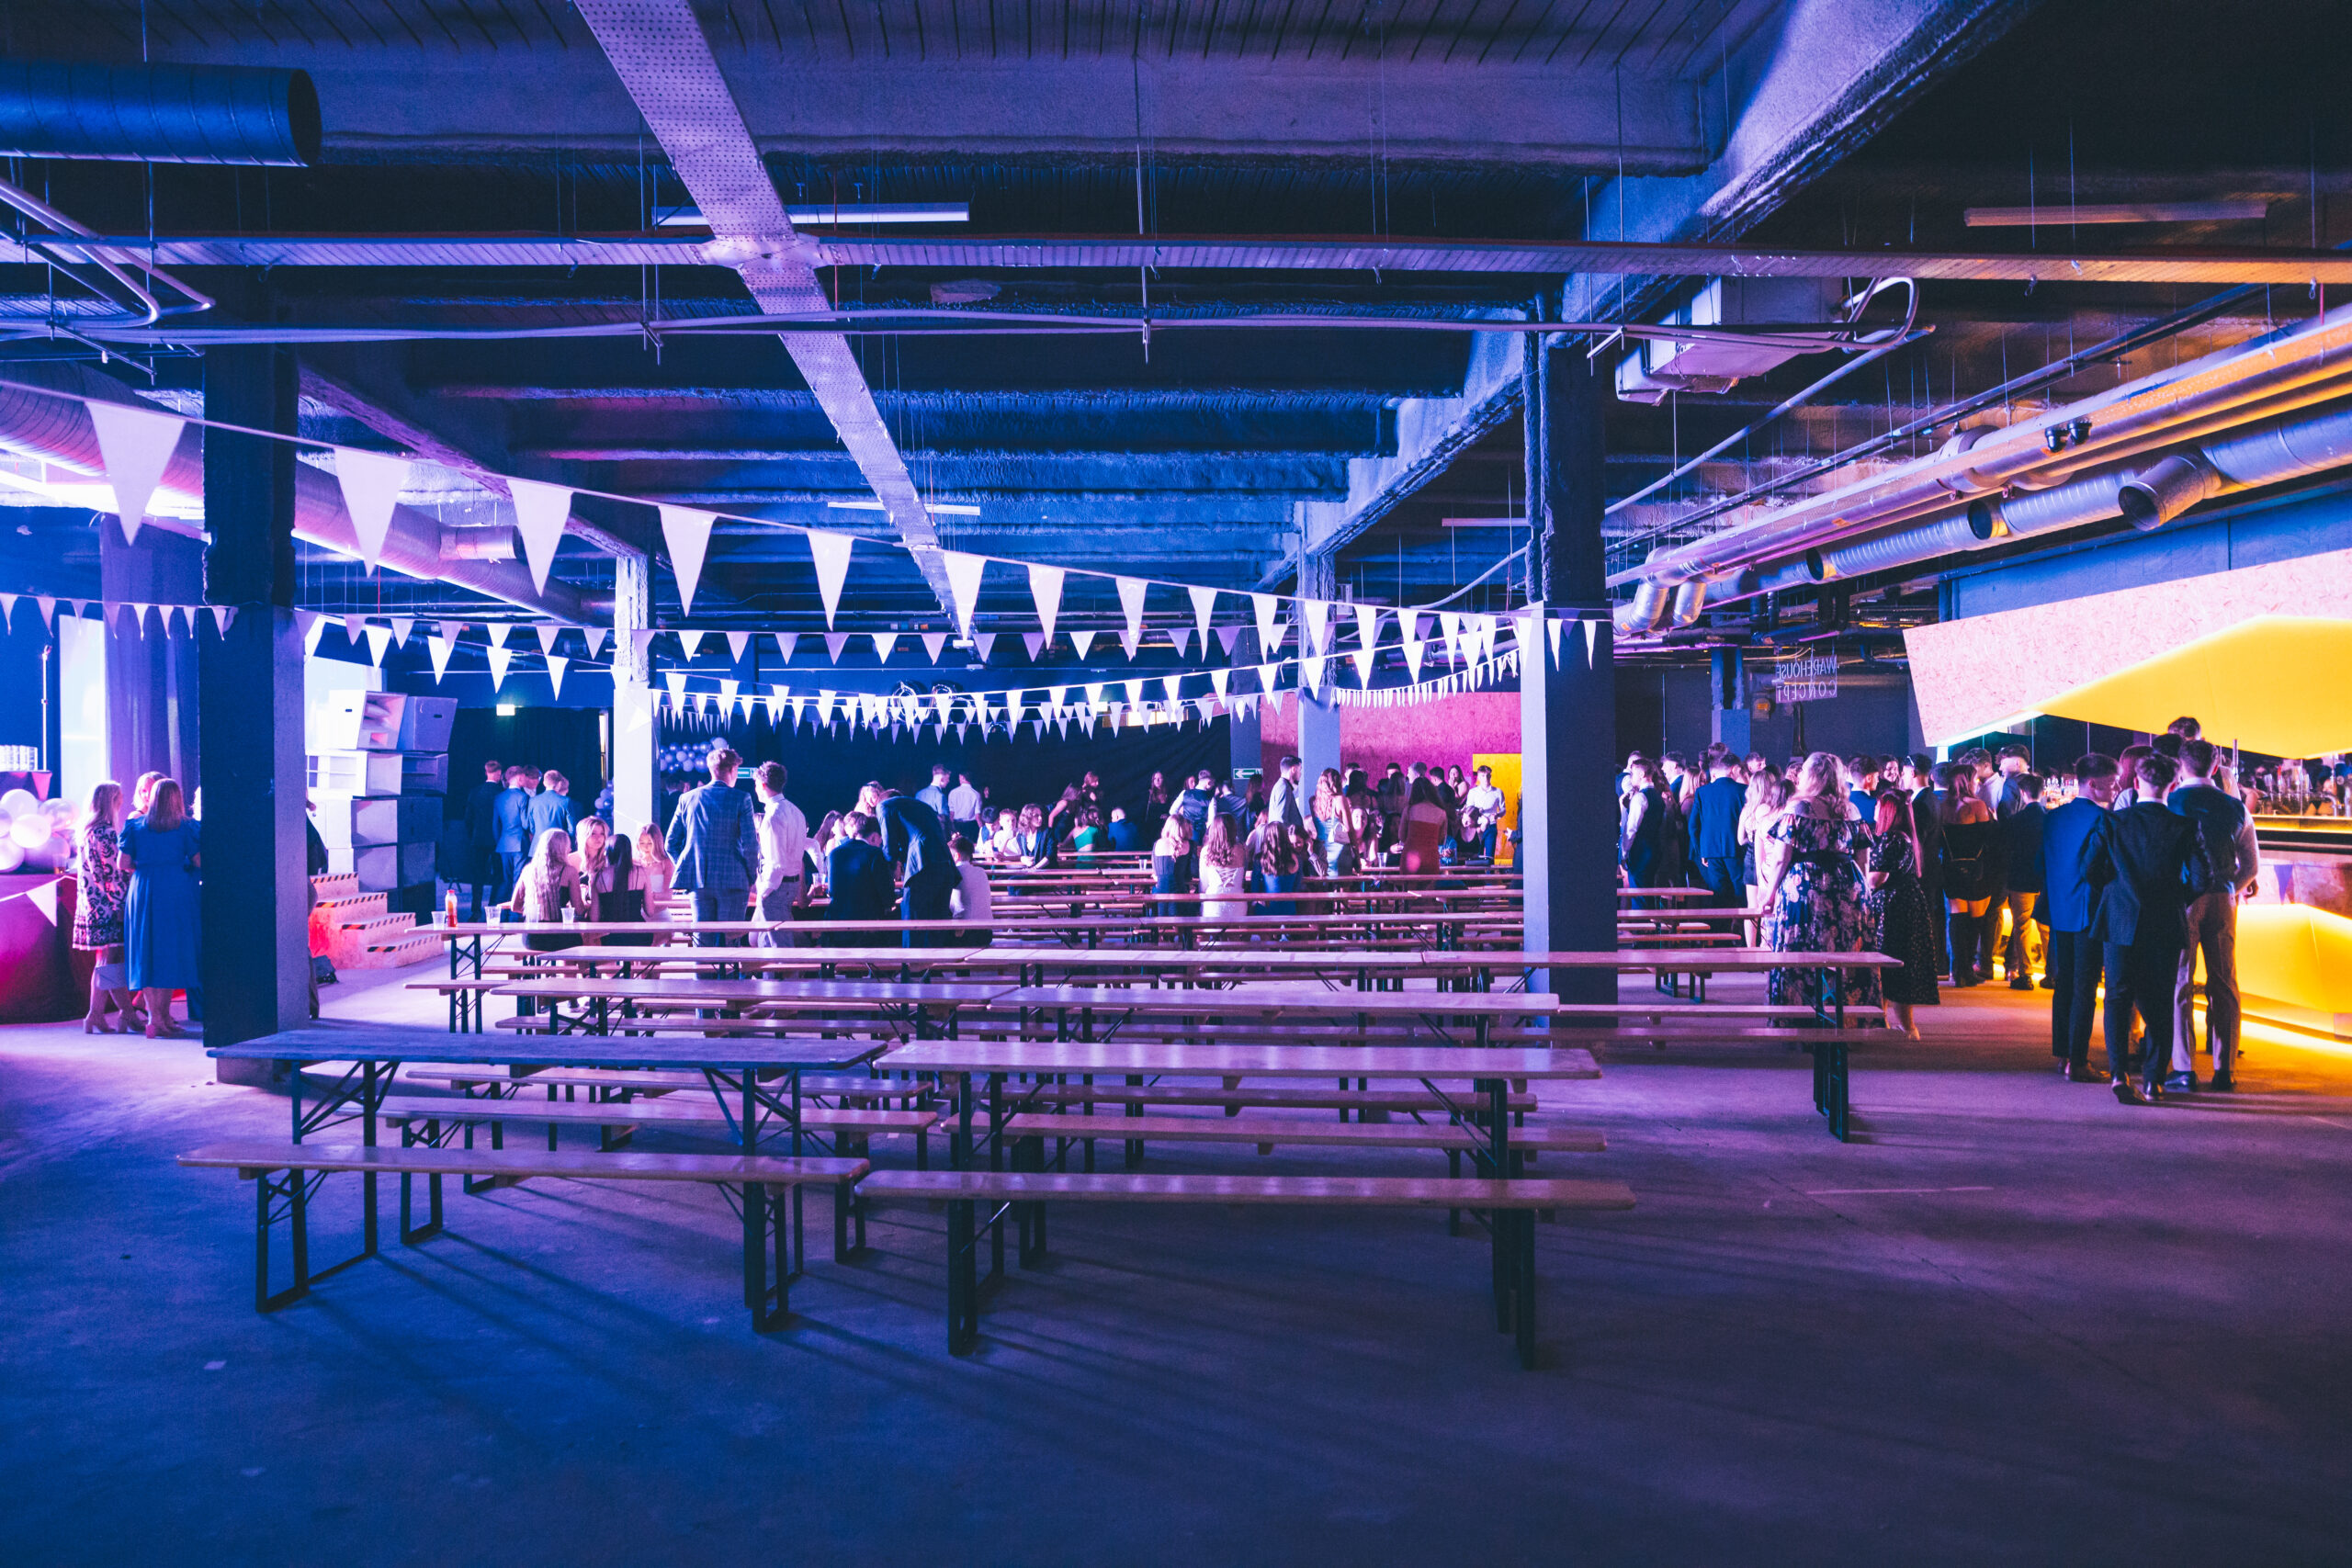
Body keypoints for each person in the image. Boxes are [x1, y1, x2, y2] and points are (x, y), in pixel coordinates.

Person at [2089, 753, 2216, 1104]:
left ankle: (2118, 1074)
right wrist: (2177, 898)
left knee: (2116, 997)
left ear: (2135, 784)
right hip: (2164, 920)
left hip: (2119, 919)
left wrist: (2114, 893)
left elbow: (2090, 868)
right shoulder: (2184, 826)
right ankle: (2154, 1081)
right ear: (2172, 785)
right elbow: (2204, 877)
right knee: (2160, 1001)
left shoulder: (2113, 822)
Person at [2168, 738, 2260, 1091]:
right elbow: (2250, 865)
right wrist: (2228, 888)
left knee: (2180, 982)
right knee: (2224, 981)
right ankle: (2225, 1069)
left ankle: (2184, 1068)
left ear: (2180, 764)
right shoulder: (2236, 807)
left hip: (2182, 899)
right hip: (2223, 897)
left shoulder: (2171, 802)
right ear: (2216, 763)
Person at [1757, 754, 1878, 1016]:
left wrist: (1769, 895)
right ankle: (1848, 1018)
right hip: (1848, 886)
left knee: (1801, 952)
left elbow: (1781, 859)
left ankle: (1800, 1019)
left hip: (1805, 888)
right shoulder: (1852, 811)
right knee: (1846, 951)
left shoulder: (1798, 809)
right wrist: (1864, 894)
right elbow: (1863, 860)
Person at [2042, 754, 2118, 1082]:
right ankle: (2078, 1059)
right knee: (2085, 987)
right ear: (2094, 783)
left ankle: (2063, 1054)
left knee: (2064, 985)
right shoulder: (2105, 819)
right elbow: (2101, 867)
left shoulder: (2054, 817)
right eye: (2112, 782)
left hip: (2060, 908)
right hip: (2090, 908)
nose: (2117, 788)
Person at [119, 777, 199, 1039]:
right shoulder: (185, 828)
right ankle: (161, 1017)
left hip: (143, 888)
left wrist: (147, 867)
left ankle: (157, 1018)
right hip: (175, 889)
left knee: (147, 951)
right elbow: (199, 861)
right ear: (177, 799)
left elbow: (123, 863)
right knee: (169, 951)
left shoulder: (135, 825)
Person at [664, 746, 759, 947]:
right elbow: (751, 844)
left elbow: (670, 843)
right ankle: (730, 979)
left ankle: (702, 979)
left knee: (702, 944)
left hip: (698, 880)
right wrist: (750, 875)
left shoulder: (687, 798)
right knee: (731, 945)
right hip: (734, 880)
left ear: (710, 769)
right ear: (733, 770)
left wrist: (687, 864)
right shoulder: (742, 798)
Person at [1862, 791, 1939, 1038]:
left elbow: (1876, 879)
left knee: (1888, 963)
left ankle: (1907, 1028)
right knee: (1895, 964)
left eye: (1878, 806)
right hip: (1908, 902)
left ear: (1887, 811)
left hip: (1891, 906)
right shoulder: (1908, 838)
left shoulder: (1889, 839)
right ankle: (1885, 1021)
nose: (1874, 810)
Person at [73, 780, 141, 1034]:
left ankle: (98, 1015)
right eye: (119, 797)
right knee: (112, 960)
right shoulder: (106, 833)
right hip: (109, 906)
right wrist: (120, 906)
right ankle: (123, 1013)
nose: (123, 801)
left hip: (92, 904)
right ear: (111, 801)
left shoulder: (88, 831)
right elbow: (111, 875)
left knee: (106, 960)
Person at [1934, 761, 2004, 987]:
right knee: (1975, 920)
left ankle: (1958, 970)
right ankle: (1968, 969)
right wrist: (1994, 819)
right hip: (1976, 870)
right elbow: (1990, 838)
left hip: (1951, 868)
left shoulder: (1943, 806)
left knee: (1956, 918)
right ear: (1966, 780)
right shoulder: (1977, 805)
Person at [878, 790, 956, 947]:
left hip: (922, 865)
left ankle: (912, 968)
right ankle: (934, 969)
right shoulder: (923, 807)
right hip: (945, 864)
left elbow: (889, 846)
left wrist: (892, 867)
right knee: (937, 921)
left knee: (912, 919)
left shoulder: (884, 805)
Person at [1996, 773, 2049, 989]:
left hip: (2021, 878)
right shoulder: (2051, 818)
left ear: (2023, 794)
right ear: (2043, 793)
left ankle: (2026, 973)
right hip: (2045, 880)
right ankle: (2052, 971)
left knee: (2023, 926)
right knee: (2046, 926)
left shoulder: (2016, 821)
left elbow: (2006, 849)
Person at [752, 760, 810, 946]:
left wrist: (764, 892)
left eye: (755, 785)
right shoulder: (797, 812)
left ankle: (778, 976)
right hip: (791, 884)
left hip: (776, 887)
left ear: (762, 785)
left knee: (776, 947)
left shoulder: (772, 817)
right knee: (771, 943)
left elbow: (776, 862)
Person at [1685, 750, 1747, 906]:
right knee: (1740, 895)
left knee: (1718, 897)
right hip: (1736, 849)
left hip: (1710, 851)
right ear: (1733, 769)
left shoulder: (1702, 792)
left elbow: (1693, 826)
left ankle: (1720, 927)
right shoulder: (1743, 790)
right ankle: (1740, 928)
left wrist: (1701, 851)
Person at [823, 812, 896, 942]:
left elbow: (832, 891)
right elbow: (887, 896)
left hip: (837, 921)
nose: (880, 844)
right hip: (868, 924)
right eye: (880, 841)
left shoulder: (834, 853)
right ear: (874, 837)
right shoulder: (875, 853)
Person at [461, 759, 506, 919]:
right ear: (499, 774)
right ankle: (493, 908)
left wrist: (472, 836)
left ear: (486, 772)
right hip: (497, 840)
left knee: (477, 877)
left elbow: (468, 819)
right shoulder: (502, 793)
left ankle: (475, 910)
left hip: (478, 839)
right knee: (499, 876)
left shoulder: (474, 792)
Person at [1620, 759, 1668, 893]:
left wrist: (1624, 853)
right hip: (1655, 848)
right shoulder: (1658, 797)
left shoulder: (1640, 797)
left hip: (1640, 852)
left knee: (1639, 896)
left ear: (1641, 774)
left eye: (1633, 774)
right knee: (1648, 893)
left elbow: (1631, 829)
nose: (1631, 777)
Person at [1200, 811, 1250, 923]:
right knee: (1234, 938)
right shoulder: (1243, 849)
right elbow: (1242, 880)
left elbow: (1203, 885)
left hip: (1213, 903)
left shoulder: (1206, 851)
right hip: (1237, 903)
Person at [492, 765, 535, 892]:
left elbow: (495, 824)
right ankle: (515, 912)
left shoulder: (499, 797)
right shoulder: (523, 797)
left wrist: (498, 841)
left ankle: (503, 911)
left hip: (503, 844)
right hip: (519, 844)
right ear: (519, 777)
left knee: (506, 881)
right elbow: (526, 824)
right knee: (518, 880)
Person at [1398, 776, 1450, 875]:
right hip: (1431, 858)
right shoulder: (1441, 812)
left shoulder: (1409, 809)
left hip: (1410, 858)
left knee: (1410, 890)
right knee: (1429, 890)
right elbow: (1441, 839)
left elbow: (1401, 836)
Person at [570, 816, 618, 920]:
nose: (599, 838)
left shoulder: (609, 860)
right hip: (576, 915)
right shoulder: (570, 860)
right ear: (584, 836)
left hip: (604, 913)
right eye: (593, 834)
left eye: (602, 833)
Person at [947, 835, 993, 945]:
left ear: (956, 856)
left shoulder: (955, 873)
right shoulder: (981, 872)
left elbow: (950, 906)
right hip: (987, 933)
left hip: (966, 935)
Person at [1256, 818, 1307, 916]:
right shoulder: (1296, 858)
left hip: (1268, 909)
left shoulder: (1261, 859)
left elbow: (1255, 889)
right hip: (1289, 908)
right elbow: (1296, 886)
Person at [1152, 813, 1194, 919]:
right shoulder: (1190, 845)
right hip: (1180, 893)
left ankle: (1159, 934)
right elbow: (1190, 874)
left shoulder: (1157, 844)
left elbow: (1156, 874)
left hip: (1160, 894)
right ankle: (1184, 934)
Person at [1464, 766, 1507, 863]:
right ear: (1478, 777)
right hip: (1476, 827)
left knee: (1489, 857)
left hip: (1491, 826)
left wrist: (1498, 814)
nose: (1485, 778)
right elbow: (1469, 809)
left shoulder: (1498, 792)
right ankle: (1477, 877)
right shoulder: (1473, 792)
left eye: (1487, 776)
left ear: (1490, 776)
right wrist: (1477, 812)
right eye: (1483, 776)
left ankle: (1489, 877)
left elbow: (1503, 809)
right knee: (1476, 856)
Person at [526, 768, 577, 844]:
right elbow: (572, 828)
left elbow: (532, 827)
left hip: (537, 845)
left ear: (544, 783)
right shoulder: (566, 801)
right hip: (559, 844)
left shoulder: (533, 800)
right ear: (560, 783)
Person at [1263, 756, 1306, 830]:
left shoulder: (1281, 786)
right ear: (1293, 769)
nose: (1300, 774)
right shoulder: (1284, 788)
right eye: (1300, 769)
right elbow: (1281, 821)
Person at [1012, 803, 1057, 868]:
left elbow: (1050, 855)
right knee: (1005, 878)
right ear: (1027, 817)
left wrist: (1035, 868)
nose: (1040, 818)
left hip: (1046, 871)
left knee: (1012, 878)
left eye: (1041, 815)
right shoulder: (1021, 835)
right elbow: (1023, 855)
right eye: (1036, 815)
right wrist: (1023, 859)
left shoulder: (1048, 832)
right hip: (1030, 871)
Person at [945, 772, 985, 841]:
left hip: (956, 825)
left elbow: (951, 813)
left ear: (962, 777)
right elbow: (978, 816)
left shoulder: (953, 792)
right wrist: (984, 831)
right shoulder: (976, 794)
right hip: (971, 827)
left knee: (957, 848)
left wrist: (950, 828)